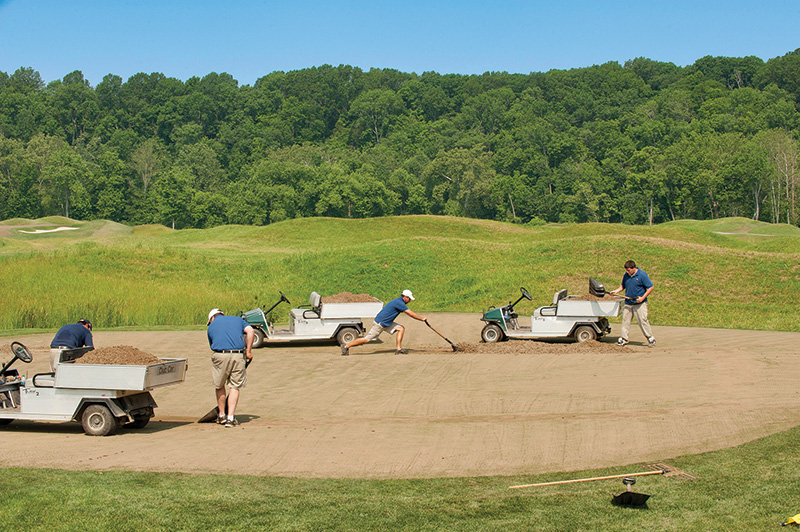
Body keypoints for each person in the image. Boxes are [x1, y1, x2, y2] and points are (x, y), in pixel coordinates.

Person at [206, 308, 255, 427]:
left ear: (212, 318)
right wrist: (248, 351)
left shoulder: (210, 327)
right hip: (238, 356)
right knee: (234, 386)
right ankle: (230, 418)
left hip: (219, 355)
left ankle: (221, 415)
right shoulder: (238, 320)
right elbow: (251, 331)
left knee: (219, 385)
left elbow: (212, 345)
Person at [341, 289, 426, 356]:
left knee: (401, 328)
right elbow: (410, 313)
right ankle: (346, 346)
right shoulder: (399, 303)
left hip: (386, 323)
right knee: (367, 339)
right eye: (409, 299)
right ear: (405, 297)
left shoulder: (398, 301)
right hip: (380, 323)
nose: (410, 301)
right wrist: (421, 318)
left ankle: (399, 349)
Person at [610, 260, 656, 347]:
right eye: (626, 270)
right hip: (628, 303)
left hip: (639, 303)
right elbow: (622, 286)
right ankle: (623, 339)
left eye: (629, 270)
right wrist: (616, 291)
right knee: (625, 321)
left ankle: (650, 338)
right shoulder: (626, 275)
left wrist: (642, 298)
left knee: (642, 320)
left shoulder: (642, 275)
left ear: (634, 268)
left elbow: (650, 287)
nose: (627, 272)